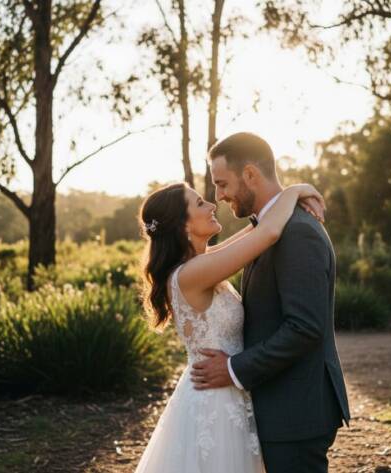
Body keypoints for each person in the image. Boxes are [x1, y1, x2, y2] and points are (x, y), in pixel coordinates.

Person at [134, 170, 327, 472]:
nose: (212, 204)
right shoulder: (192, 274)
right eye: (200, 203)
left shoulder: (201, 263)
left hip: (228, 389)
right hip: (215, 400)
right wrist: (294, 191)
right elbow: (267, 234)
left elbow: (256, 229)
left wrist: (282, 201)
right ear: (183, 224)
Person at [192, 132, 351, 472]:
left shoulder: (297, 231)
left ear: (250, 174)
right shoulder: (268, 228)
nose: (219, 196)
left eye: (222, 184)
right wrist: (294, 191)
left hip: (296, 412)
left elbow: (305, 327)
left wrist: (234, 368)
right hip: (279, 407)